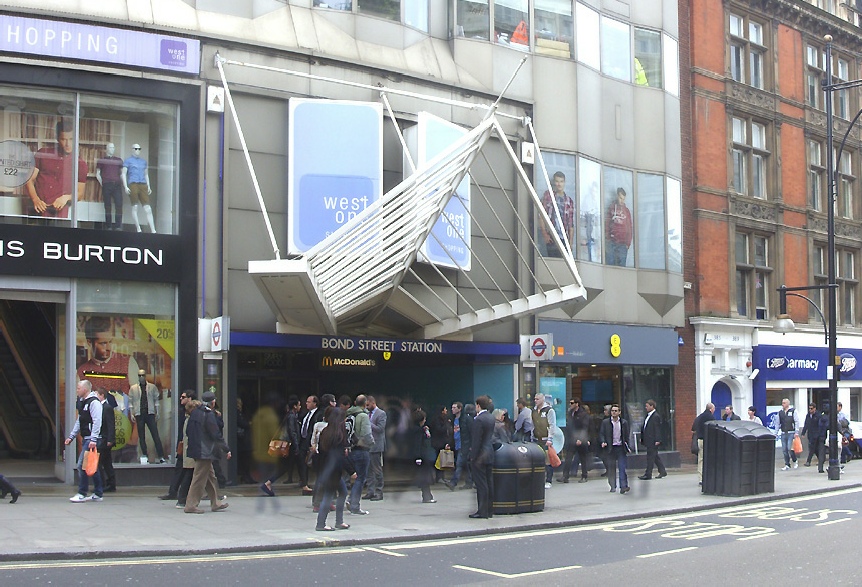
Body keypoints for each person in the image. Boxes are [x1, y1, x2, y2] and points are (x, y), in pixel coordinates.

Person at [25, 118, 87, 219]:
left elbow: (80, 194)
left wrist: (66, 198)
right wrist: (35, 199)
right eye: (64, 139)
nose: (68, 144)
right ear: (58, 138)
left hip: (59, 213)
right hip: (36, 209)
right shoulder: (43, 153)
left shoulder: (80, 164)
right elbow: (29, 180)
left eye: (71, 139)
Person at [184, 391, 231, 514]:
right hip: (205, 451)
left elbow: (188, 431)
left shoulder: (195, 413)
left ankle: (215, 502)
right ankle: (191, 505)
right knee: (199, 478)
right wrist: (226, 449)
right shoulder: (208, 414)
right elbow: (215, 434)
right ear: (213, 402)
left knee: (211, 477)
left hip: (196, 449)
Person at [76, 316, 138, 398]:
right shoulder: (81, 372)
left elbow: (138, 398)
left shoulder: (128, 362)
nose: (109, 348)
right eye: (103, 343)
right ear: (90, 342)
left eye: (110, 342)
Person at [65, 380, 104, 502]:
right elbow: (80, 420)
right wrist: (72, 436)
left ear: (85, 389)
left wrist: (94, 438)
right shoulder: (83, 403)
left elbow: (97, 421)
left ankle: (82, 493)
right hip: (87, 438)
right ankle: (98, 492)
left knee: (82, 465)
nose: (77, 390)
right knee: (92, 466)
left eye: (78, 388)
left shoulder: (94, 403)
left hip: (91, 439)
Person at [315, 408, 350, 532]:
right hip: (334, 471)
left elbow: (320, 454)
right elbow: (340, 457)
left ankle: (339, 522)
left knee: (343, 492)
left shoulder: (325, 432)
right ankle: (321, 524)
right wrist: (351, 471)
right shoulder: (338, 435)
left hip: (327, 469)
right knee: (328, 496)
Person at [260, 397, 301, 497]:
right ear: (295, 406)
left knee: (288, 466)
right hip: (288, 444)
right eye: (299, 405)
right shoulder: (292, 416)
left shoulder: (289, 415)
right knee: (285, 466)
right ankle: (268, 483)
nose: (300, 407)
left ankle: (268, 483)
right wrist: (296, 445)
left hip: (288, 443)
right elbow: (292, 431)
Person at [159, 390, 195, 502]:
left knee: (196, 472)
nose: (181, 399)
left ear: (189, 399)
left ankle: (180, 494)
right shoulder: (182, 412)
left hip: (190, 446)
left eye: (183, 397)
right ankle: (174, 492)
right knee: (181, 469)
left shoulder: (193, 413)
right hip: (183, 445)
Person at [129, 369, 166, 464]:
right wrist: (132, 413)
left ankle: (161, 456)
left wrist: (157, 412)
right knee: (141, 436)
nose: (141, 377)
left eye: (143, 375)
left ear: (145, 376)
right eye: (139, 375)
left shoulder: (152, 387)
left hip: (150, 413)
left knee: (155, 435)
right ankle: (144, 455)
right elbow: (131, 402)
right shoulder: (133, 388)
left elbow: (156, 400)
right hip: (139, 413)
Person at [345, 394, 373, 516]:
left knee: (354, 476)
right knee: (361, 478)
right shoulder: (363, 416)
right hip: (362, 449)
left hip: (351, 449)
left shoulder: (349, 415)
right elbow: (366, 434)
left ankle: (351, 500)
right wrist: (372, 443)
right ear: (365, 404)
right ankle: (354, 504)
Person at [121, 143, 156, 233]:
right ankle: (138, 228)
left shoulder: (143, 162)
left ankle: (153, 230)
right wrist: (125, 186)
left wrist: (149, 186)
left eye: (139, 149)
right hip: (133, 184)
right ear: (132, 149)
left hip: (143, 184)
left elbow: (146, 174)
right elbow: (123, 174)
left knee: (148, 208)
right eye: (136, 149)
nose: (137, 151)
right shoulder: (128, 161)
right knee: (135, 207)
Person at [470, 396, 495, 519]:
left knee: (481, 484)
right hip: (489, 453)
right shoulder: (491, 417)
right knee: (489, 482)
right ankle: (490, 510)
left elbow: (476, 440)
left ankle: (482, 511)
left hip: (480, 455)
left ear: (478, 405)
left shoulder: (478, 420)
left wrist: (473, 457)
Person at [540, 171, 574, 257]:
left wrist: (570, 243)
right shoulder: (548, 195)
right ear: (554, 182)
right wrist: (544, 233)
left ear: (564, 183)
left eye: (561, 181)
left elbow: (571, 224)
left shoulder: (569, 201)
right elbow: (541, 215)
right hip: (551, 236)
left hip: (563, 238)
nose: (559, 184)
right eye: (557, 181)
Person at [600, 404, 630, 494]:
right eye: (612, 411)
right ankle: (613, 486)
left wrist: (627, 444)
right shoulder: (606, 422)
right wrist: (603, 442)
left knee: (622, 467)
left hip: (620, 448)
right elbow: (601, 433)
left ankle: (623, 486)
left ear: (619, 412)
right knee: (611, 468)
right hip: (610, 448)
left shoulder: (624, 423)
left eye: (616, 411)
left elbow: (626, 435)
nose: (614, 412)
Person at [531, 392, 558, 489]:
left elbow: (552, 425)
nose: (535, 401)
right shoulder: (533, 411)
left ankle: (549, 480)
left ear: (542, 399)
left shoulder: (549, 410)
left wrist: (550, 438)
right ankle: (539, 479)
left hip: (546, 439)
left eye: (537, 399)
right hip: (536, 438)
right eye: (534, 399)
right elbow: (532, 424)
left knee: (548, 460)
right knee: (538, 460)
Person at [561, 398, 590, 483]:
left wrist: (580, 439)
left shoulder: (583, 414)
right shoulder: (571, 413)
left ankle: (584, 476)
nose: (570, 404)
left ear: (577, 404)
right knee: (568, 458)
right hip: (572, 439)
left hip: (580, 439)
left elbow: (584, 427)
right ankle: (565, 476)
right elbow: (570, 426)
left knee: (582, 458)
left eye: (572, 403)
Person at [96, 142, 124, 230]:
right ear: (107, 149)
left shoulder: (118, 160)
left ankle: (118, 225)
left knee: (119, 205)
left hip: (116, 185)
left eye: (113, 147)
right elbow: (97, 174)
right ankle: (109, 226)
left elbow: (123, 173)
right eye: (111, 147)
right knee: (107, 206)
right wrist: (103, 183)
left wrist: (123, 183)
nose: (113, 149)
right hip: (107, 185)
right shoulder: (102, 160)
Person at [363, 395, 387, 501]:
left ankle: (379, 491)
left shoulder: (381, 414)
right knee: (368, 470)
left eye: (368, 405)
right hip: (366, 445)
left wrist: (369, 423)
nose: (367, 407)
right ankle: (370, 491)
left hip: (376, 445)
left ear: (373, 403)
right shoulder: (366, 414)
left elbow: (380, 429)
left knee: (377, 469)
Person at [297, 395, 321, 495]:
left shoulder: (317, 414)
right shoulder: (306, 414)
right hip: (303, 440)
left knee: (312, 462)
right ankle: (304, 482)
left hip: (310, 441)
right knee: (302, 461)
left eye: (309, 402)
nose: (306, 403)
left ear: (315, 403)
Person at [411, 409, 437, 504]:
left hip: (422, 456)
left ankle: (427, 495)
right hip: (422, 456)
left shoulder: (419, 429)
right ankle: (427, 496)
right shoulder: (417, 431)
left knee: (425, 476)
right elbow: (417, 444)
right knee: (425, 477)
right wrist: (418, 457)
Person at [446, 401, 473, 491]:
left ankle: (453, 482)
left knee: (459, 464)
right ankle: (469, 482)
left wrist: (471, 445)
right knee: (465, 464)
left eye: (454, 408)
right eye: (452, 408)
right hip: (457, 444)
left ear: (460, 409)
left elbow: (471, 432)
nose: (452, 409)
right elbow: (453, 433)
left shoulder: (466, 419)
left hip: (464, 444)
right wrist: (450, 443)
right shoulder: (453, 420)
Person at [639, 399, 667, 480]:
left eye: (647, 406)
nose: (646, 407)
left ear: (652, 406)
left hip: (653, 440)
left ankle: (648, 474)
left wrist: (658, 440)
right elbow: (645, 427)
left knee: (650, 457)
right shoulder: (648, 415)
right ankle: (662, 471)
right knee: (654, 457)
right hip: (648, 439)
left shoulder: (655, 416)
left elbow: (657, 429)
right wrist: (642, 437)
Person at [95, 387, 117, 493]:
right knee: (107, 462)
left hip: (104, 439)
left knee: (100, 462)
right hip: (102, 438)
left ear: (102, 395)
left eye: (97, 395)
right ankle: (110, 483)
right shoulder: (99, 407)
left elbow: (110, 424)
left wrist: (110, 439)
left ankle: (103, 484)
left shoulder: (107, 407)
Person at [606, 187, 633, 266]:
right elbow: (607, 223)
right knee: (610, 263)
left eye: (623, 199)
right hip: (612, 241)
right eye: (620, 198)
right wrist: (608, 238)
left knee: (621, 265)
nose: (622, 201)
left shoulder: (626, 211)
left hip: (622, 243)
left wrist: (627, 243)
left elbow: (629, 227)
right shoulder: (611, 208)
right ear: (617, 196)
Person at [691, 402, 715, 485]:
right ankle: (709, 477)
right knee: (709, 460)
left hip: (700, 440)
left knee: (700, 460)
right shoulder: (711, 417)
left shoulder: (699, 417)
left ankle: (701, 478)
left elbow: (693, 428)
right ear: (711, 409)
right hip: (708, 440)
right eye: (713, 409)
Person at [801, 402, 827, 471]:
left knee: (813, 448)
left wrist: (819, 434)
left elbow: (821, 425)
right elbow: (806, 424)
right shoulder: (808, 415)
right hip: (811, 434)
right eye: (809, 409)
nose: (810, 410)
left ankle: (808, 461)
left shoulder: (818, 415)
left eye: (811, 409)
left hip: (817, 435)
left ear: (815, 409)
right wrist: (803, 432)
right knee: (814, 449)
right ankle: (821, 460)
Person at [776, 398, 800, 471]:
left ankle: (795, 460)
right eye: (782, 403)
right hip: (783, 433)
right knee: (784, 450)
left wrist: (796, 432)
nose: (782, 404)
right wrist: (776, 433)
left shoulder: (793, 411)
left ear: (788, 404)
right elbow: (777, 423)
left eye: (784, 403)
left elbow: (796, 421)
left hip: (791, 432)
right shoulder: (780, 412)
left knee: (790, 448)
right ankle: (787, 464)